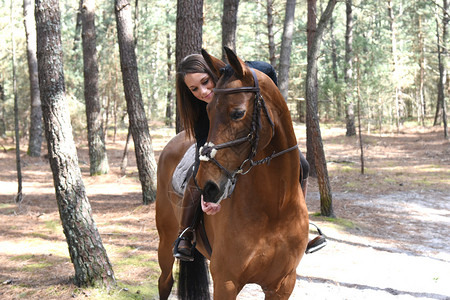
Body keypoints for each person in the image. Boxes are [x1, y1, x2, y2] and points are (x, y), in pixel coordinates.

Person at [173, 54, 323, 261]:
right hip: (220, 148)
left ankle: (299, 224)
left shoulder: (250, 74)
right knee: (196, 174)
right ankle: (186, 232)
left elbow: (270, 84)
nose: (203, 92)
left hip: (255, 137)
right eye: (194, 89)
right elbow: (202, 147)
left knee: (303, 165)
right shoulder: (201, 109)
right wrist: (209, 197)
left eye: (205, 82)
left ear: (214, 72)